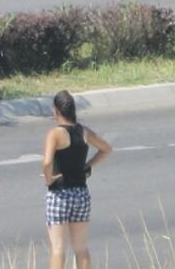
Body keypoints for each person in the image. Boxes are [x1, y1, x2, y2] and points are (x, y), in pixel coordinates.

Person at [42, 90, 112, 269]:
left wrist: (49, 180)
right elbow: (106, 149)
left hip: (59, 194)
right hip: (81, 193)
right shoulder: (84, 132)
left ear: (56, 111)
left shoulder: (55, 134)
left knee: (58, 248)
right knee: (81, 247)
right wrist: (88, 166)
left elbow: (47, 162)